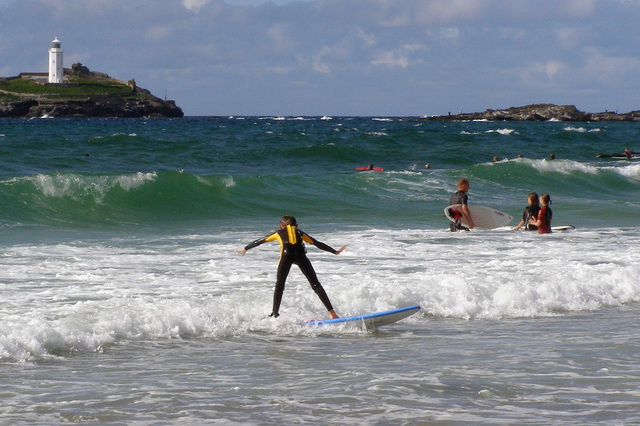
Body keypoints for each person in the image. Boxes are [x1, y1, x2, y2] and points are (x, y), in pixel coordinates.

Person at [238, 216, 346, 319]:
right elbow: (317, 243)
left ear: (281, 227)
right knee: (316, 285)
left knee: (280, 285)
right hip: (301, 257)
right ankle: (332, 313)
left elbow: (260, 241)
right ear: (296, 225)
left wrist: (245, 248)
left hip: (286, 257)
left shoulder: (278, 233)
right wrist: (334, 251)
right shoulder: (300, 233)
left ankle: (275, 314)